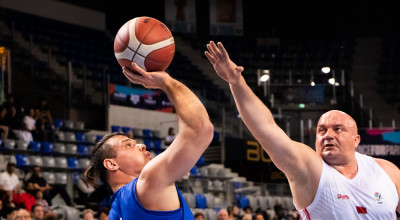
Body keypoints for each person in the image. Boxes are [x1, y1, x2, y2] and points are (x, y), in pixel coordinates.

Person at [205, 41, 400, 219]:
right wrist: (236, 83)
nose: (328, 135)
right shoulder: (310, 168)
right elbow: (265, 129)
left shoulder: (386, 171)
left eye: (338, 129)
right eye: (321, 131)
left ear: (356, 140)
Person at [84, 62, 214, 219]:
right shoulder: (149, 180)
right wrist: (166, 82)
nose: (141, 145)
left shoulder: (115, 211)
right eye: (129, 145)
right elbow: (200, 129)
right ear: (112, 164)